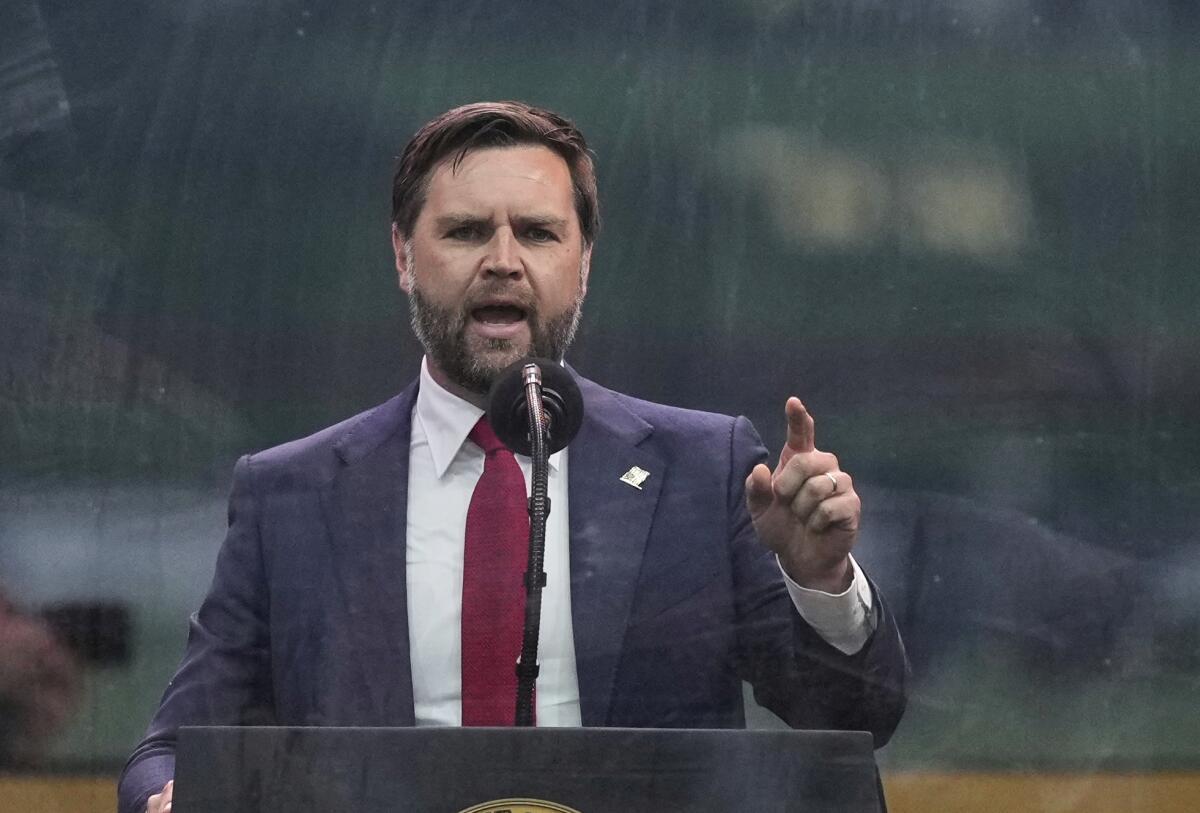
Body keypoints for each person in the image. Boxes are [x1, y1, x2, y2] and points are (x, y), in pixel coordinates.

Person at [120, 101, 908, 813]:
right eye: (466, 231)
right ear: (402, 254)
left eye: (537, 232)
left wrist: (820, 583)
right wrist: (166, 800)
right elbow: (169, 749)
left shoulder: (704, 471)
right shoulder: (289, 494)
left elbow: (854, 721)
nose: (503, 259)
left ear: (584, 260)